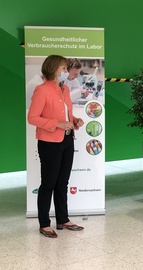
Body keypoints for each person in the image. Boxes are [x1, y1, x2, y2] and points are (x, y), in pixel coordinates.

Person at [28, 55, 85, 238]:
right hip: (49, 143)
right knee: (49, 183)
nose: (66, 72)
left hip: (67, 140)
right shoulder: (41, 90)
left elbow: (66, 113)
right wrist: (57, 124)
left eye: (66, 69)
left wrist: (73, 121)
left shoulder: (65, 89)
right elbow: (33, 118)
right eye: (63, 69)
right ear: (53, 69)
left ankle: (63, 219)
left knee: (63, 182)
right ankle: (44, 223)